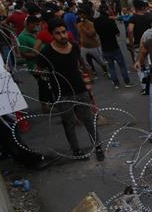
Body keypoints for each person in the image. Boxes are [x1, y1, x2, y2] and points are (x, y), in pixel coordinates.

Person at [38, 18, 104, 161]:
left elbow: (80, 65)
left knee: (88, 120)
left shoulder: (74, 46)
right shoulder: (47, 52)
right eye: (58, 33)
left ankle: (98, 146)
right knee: (69, 123)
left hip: (80, 90)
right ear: (52, 35)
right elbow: (40, 70)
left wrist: (88, 84)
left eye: (64, 32)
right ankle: (76, 150)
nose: (62, 36)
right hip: (63, 94)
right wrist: (50, 83)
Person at [94, 5, 132, 88]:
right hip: (114, 46)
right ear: (106, 12)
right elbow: (117, 33)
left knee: (111, 67)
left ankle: (116, 84)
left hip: (105, 47)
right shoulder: (110, 21)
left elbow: (97, 32)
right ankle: (127, 82)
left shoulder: (96, 22)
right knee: (122, 65)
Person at [127, 0, 152, 94]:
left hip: (138, 45)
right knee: (149, 63)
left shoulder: (133, 18)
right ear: (143, 7)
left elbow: (130, 30)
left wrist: (131, 42)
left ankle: (145, 87)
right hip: (149, 44)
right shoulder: (149, 16)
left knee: (139, 65)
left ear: (135, 8)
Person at [76, 9, 110, 80]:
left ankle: (106, 71)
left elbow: (91, 34)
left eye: (81, 14)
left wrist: (83, 28)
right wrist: (79, 43)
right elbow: (78, 35)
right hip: (83, 46)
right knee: (84, 61)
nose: (80, 16)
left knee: (100, 61)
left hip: (93, 46)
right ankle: (91, 75)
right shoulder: (78, 25)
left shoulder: (91, 24)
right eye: (79, 15)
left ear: (85, 15)